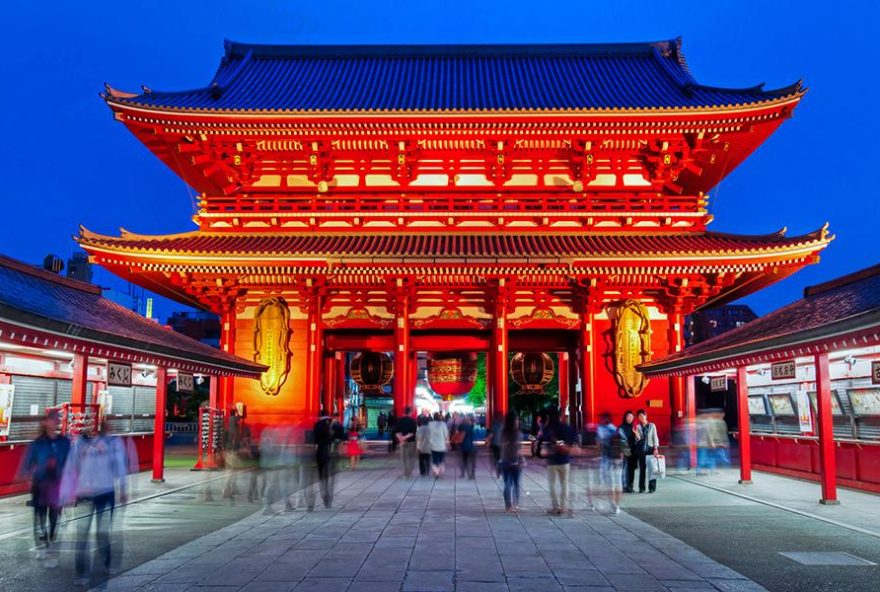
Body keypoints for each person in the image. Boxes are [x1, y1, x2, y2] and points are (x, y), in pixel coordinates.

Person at [60, 423, 129, 585]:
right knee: (83, 535)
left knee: (102, 532)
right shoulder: (79, 444)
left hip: (106, 492)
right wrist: (68, 493)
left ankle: (104, 563)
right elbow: (71, 468)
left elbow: (119, 466)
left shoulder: (113, 444)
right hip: (85, 494)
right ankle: (81, 572)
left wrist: (123, 489)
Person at [19, 411, 71, 567]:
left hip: (57, 483)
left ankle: (51, 542)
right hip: (40, 483)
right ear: (45, 422)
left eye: (57, 419)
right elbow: (28, 463)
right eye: (53, 419)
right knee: (40, 516)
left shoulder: (64, 442)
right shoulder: (38, 443)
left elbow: (71, 462)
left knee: (54, 516)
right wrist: (25, 474)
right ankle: (43, 544)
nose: (56, 422)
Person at [541, 410, 575, 515]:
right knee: (564, 484)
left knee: (552, 484)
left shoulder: (549, 428)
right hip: (564, 459)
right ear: (561, 416)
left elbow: (543, 438)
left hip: (552, 460)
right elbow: (572, 441)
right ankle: (563, 507)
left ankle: (555, 507)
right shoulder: (567, 427)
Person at [596, 413, 623, 514]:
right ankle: (617, 506)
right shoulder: (615, 429)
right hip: (618, 460)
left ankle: (613, 504)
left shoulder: (600, 429)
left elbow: (598, 445)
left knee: (610, 484)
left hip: (607, 459)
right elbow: (624, 446)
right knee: (618, 484)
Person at [498, 412, 523, 513]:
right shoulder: (518, 433)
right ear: (514, 421)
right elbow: (519, 448)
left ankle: (508, 506)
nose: (518, 421)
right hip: (515, 461)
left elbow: (501, 447)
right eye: (516, 419)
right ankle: (515, 504)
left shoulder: (503, 432)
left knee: (507, 483)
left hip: (504, 460)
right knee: (516, 484)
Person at [636, 409, 660, 493]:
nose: (641, 417)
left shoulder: (652, 425)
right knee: (642, 469)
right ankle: (641, 488)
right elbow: (638, 440)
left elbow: (655, 437)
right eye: (639, 416)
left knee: (652, 469)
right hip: (641, 450)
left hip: (650, 449)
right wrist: (637, 436)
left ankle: (652, 488)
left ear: (646, 416)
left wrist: (656, 448)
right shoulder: (638, 427)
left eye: (643, 415)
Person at [395, 407, 418, 478]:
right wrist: (405, 438)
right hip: (411, 442)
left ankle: (405, 474)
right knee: (411, 457)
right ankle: (409, 473)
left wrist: (401, 438)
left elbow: (396, 431)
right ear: (410, 413)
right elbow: (413, 432)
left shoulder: (399, 420)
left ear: (404, 412)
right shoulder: (413, 421)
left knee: (403, 458)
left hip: (402, 442)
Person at [618, 410, 637, 493]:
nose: (629, 418)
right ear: (625, 418)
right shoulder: (621, 428)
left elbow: (638, 439)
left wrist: (636, 434)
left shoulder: (635, 428)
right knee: (625, 469)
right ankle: (624, 486)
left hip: (634, 451)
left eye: (631, 417)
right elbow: (620, 441)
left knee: (632, 469)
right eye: (627, 417)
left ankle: (630, 486)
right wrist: (621, 451)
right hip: (625, 451)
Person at [428, 411, 449, 478]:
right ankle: (440, 471)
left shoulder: (430, 424)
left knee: (434, 459)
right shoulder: (443, 424)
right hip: (441, 445)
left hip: (433, 445)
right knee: (441, 459)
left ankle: (436, 472)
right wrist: (448, 443)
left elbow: (428, 435)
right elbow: (446, 435)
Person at [458, 414, 476, 480]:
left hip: (463, 445)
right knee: (471, 461)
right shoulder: (472, 426)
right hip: (471, 445)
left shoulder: (461, 426)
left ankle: (463, 473)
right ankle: (471, 475)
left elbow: (459, 433)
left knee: (464, 460)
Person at [486, 413, 503, 477]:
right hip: (502, 444)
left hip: (495, 444)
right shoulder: (504, 424)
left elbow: (491, 434)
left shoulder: (494, 424)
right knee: (500, 458)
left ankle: (497, 469)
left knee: (496, 458)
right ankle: (500, 470)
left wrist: (487, 440)